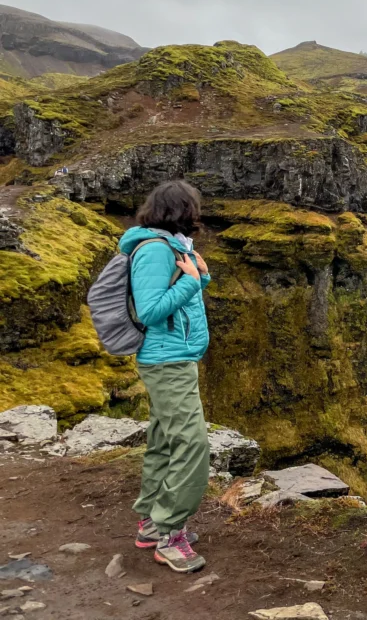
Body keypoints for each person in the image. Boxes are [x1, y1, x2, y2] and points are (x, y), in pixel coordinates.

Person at [118, 180, 211, 573]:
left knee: (164, 441)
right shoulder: (156, 250)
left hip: (174, 359)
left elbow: (181, 303)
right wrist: (191, 282)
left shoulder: (170, 246)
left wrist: (198, 278)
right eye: (193, 208)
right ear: (181, 210)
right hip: (166, 362)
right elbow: (152, 310)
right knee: (192, 445)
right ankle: (170, 535)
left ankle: (152, 523)